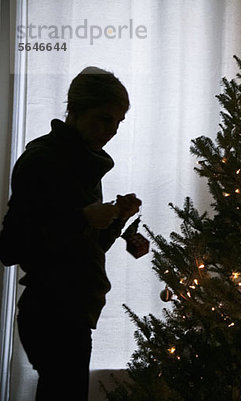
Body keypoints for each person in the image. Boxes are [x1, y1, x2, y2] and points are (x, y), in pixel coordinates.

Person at [0, 66, 141, 400]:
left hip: (73, 312)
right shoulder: (42, 161)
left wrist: (116, 218)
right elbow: (10, 248)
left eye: (119, 123)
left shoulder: (84, 163)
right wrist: (83, 218)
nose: (112, 131)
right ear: (75, 111)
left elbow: (86, 248)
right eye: (105, 119)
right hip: (51, 314)